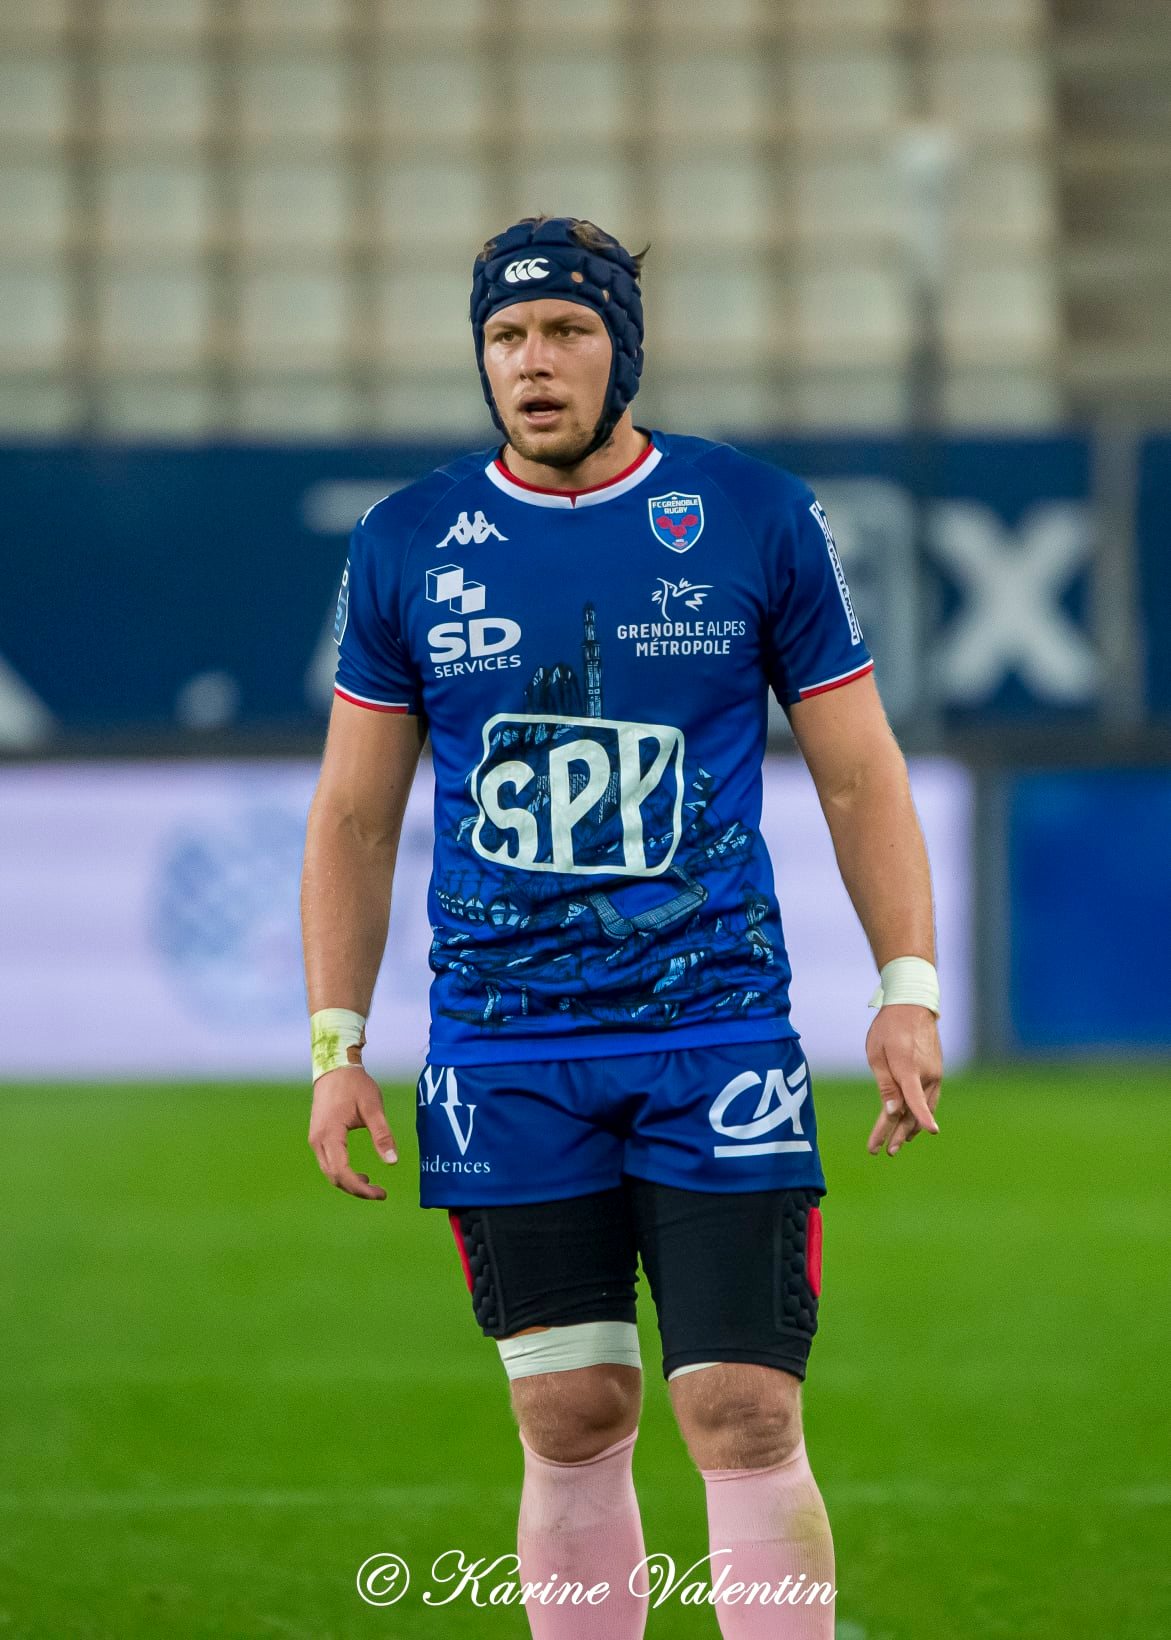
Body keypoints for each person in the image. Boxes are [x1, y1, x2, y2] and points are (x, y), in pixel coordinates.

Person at [301, 215, 943, 1638]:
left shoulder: (757, 515)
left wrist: (909, 984)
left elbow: (858, 768)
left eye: (567, 332)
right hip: (505, 1048)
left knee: (744, 1409)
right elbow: (351, 817)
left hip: (714, 1032)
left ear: (623, 350)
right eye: (508, 337)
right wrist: (336, 1043)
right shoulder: (407, 541)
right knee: (574, 1411)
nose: (534, 364)